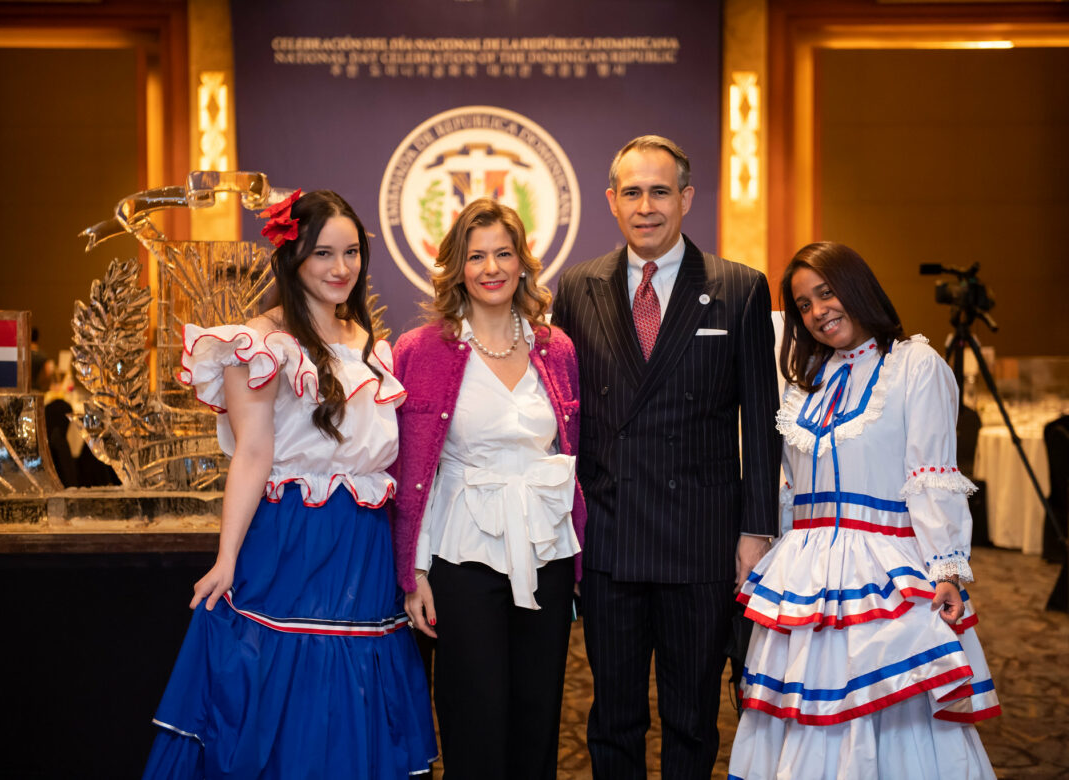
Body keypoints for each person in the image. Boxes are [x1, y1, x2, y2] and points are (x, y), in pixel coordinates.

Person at [143, 190, 436, 779]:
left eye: (351, 253)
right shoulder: (259, 343)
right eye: (323, 253)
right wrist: (226, 556)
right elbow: (252, 454)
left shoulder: (369, 343)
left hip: (364, 548)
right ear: (291, 257)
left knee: (357, 695)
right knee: (287, 689)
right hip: (293, 542)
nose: (341, 268)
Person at [551, 135, 781, 779]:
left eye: (659, 191)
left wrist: (756, 531)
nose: (645, 206)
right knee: (614, 718)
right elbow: (563, 420)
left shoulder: (739, 288)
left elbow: (760, 423)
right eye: (631, 192)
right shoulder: (578, 287)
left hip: (701, 539)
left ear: (685, 198)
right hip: (610, 536)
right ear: (610, 201)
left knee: (692, 718)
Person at [728, 242, 1001, 779]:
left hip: (883, 573)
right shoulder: (806, 381)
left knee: (885, 716)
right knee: (802, 718)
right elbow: (786, 485)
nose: (817, 311)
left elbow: (931, 477)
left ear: (858, 287)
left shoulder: (914, 366)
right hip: (804, 578)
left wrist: (946, 569)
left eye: (827, 293)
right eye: (804, 304)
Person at [393, 198, 585, 779]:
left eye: (503, 253)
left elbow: (570, 453)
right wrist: (414, 574)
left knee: (538, 716)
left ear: (523, 263)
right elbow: (409, 472)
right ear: (457, 267)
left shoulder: (558, 348)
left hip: (545, 553)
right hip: (462, 554)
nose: (491, 267)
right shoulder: (420, 350)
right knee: (473, 718)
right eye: (476, 256)